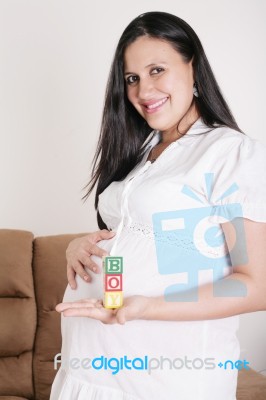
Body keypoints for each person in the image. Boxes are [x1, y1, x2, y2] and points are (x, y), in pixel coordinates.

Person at [50, 11, 266, 400]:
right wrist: (81, 245)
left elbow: (255, 286)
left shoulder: (227, 153)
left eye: (156, 70)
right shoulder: (142, 155)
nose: (143, 90)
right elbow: (169, 252)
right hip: (91, 365)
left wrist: (145, 306)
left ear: (194, 68)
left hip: (162, 377)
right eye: (132, 78)